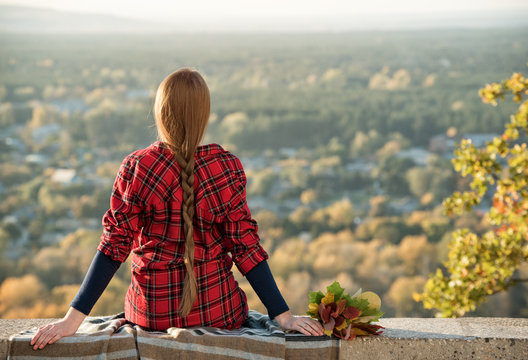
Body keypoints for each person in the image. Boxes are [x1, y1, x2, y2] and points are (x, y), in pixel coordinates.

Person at [30, 68, 324, 350]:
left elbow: (113, 247)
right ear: (203, 115)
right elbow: (246, 247)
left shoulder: (138, 167)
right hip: (219, 313)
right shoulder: (224, 167)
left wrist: (72, 320)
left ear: (160, 111)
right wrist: (283, 316)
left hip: (149, 317)